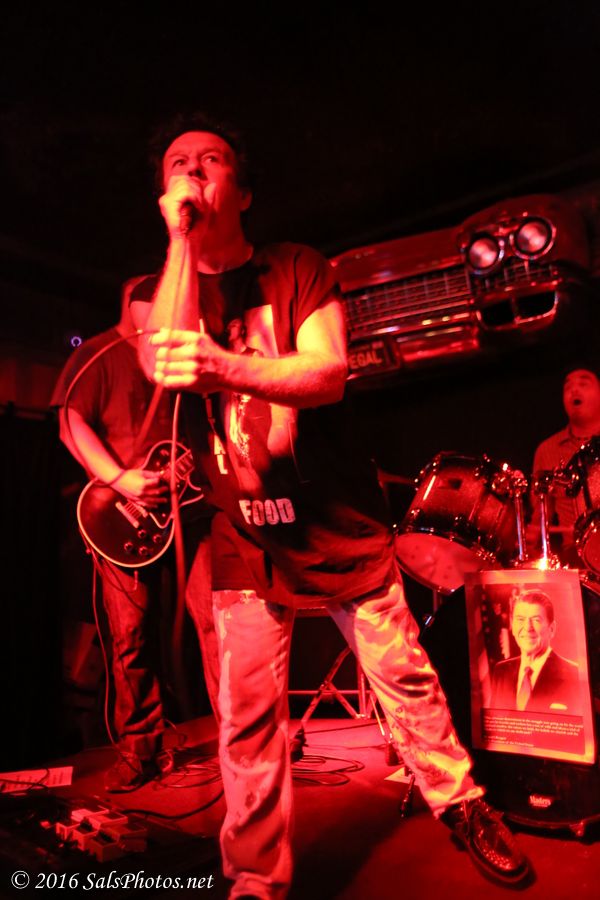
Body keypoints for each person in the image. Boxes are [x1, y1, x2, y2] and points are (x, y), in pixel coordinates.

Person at [130, 111, 531, 896]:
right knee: (246, 721)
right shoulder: (157, 290)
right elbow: (161, 364)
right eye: (178, 164)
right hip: (247, 537)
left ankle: (462, 804)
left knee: (405, 681)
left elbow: (326, 373)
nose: (194, 171)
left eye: (211, 160)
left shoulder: (296, 267)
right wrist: (179, 238)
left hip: (336, 521)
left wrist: (225, 366)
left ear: (244, 191)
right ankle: (255, 880)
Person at [51, 283, 219, 792]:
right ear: (132, 306)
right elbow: (69, 421)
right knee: (130, 636)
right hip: (124, 516)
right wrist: (118, 478)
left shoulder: (181, 358)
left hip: (193, 512)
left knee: (221, 623)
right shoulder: (98, 354)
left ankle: (244, 739)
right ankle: (140, 749)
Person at [530, 365, 600, 566]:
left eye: (584, 384)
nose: (574, 390)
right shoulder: (547, 450)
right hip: (575, 557)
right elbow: (540, 516)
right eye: (568, 387)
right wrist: (532, 536)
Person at [491, 590, 580, 713]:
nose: (528, 628)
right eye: (520, 619)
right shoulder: (501, 672)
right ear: (512, 625)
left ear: (552, 629)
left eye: (536, 620)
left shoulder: (574, 675)